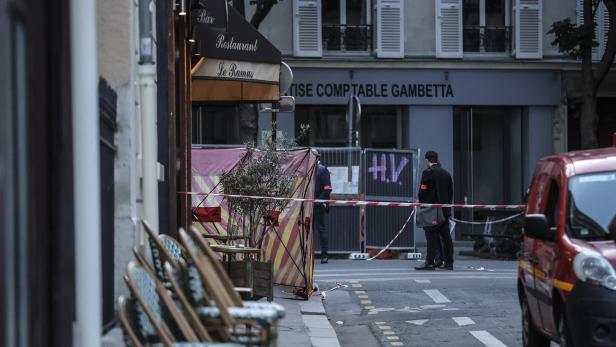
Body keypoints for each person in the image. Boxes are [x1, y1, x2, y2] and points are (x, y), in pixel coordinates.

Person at [414, 150, 455, 271]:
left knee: (431, 236)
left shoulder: (427, 173)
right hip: (444, 210)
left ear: (427, 160)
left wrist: (421, 203)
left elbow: (423, 191)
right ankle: (449, 263)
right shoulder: (446, 174)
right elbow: (450, 193)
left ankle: (430, 262)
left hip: (431, 210)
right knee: (446, 236)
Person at [314, 160, 333, 264]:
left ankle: (324, 255)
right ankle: (307, 254)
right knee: (306, 229)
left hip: (318, 205)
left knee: (321, 229)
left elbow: (328, 188)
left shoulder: (321, 170)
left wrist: (319, 200)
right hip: (309, 203)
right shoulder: (309, 169)